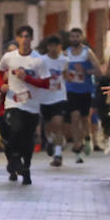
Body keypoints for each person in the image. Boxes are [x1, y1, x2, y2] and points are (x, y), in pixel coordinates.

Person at [0, 27, 47, 185]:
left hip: (31, 104)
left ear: (31, 39)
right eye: (21, 36)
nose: (24, 39)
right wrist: (1, 85)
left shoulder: (38, 59)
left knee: (27, 138)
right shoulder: (9, 56)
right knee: (15, 129)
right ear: (17, 39)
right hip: (13, 101)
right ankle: (14, 158)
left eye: (27, 36)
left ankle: (26, 168)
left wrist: (28, 79)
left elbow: (46, 82)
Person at [63, 27, 103, 163]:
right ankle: (77, 147)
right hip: (71, 90)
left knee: (85, 119)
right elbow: (61, 70)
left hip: (86, 90)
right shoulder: (66, 53)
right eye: (72, 36)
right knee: (75, 118)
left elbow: (99, 71)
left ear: (82, 37)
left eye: (77, 36)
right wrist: (66, 75)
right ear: (69, 38)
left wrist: (85, 69)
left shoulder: (87, 52)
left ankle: (87, 138)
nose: (75, 39)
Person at [37, 35, 70, 167]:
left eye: (56, 46)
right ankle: (50, 141)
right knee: (47, 125)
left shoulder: (64, 60)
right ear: (48, 47)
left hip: (59, 97)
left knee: (57, 123)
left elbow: (66, 75)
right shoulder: (41, 61)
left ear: (59, 47)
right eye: (51, 46)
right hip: (44, 98)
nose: (54, 49)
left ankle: (58, 155)